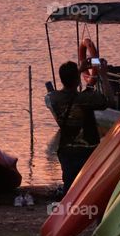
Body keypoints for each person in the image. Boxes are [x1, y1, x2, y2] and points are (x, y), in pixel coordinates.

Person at [46, 60, 114, 193]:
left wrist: (77, 72)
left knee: (70, 189)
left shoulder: (53, 99)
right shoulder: (87, 99)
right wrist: (104, 76)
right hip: (88, 151)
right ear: (77, 80)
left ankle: (70, 212)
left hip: (66, 151)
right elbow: (110, 101)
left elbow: (61, 91)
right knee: (90, 189)